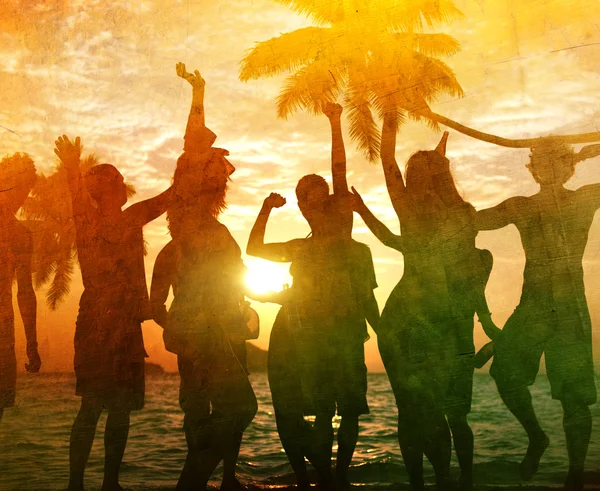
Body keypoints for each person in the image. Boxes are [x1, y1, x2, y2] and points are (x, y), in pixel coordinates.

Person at [350, 128, 499, 491]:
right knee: (413, 410)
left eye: (426, 176)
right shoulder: (412, 211)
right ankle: (421, 481)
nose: (418, 183)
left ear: (439, 179)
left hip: (437, 321)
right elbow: (388, 164)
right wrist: (389, 111)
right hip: (404, 321)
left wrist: (440, 160)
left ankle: (446, 480)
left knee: (433, 412)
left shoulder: (458, 218)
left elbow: (471, 274)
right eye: (415, 176)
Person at [247, 103, 379, 490]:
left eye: (321, 197)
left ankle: (338, 476)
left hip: (349, 333)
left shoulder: (344, 233)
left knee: (350, 411)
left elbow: (339, 171)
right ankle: (324, 478)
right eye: (307, 199)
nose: (316, 204)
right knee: (321, 411)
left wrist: (335, 122)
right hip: (313, 338)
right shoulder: (299, 248)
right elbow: (254, 249)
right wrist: (265, 208)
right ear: (302, 205)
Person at [150, 63, 257, 491]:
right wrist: (199, 93)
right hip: (201, 326)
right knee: (221, 407)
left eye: (220, 167)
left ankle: (217, 477)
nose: (220, 171)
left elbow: (235, 279)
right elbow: (193, 142)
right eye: (212, 165)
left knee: (221, 408)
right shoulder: (188, 215)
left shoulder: (215, 230)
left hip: (221, 325)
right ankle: (192, 481)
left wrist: (245, 309)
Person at [474, 139, 600, 491]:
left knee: (574, 399)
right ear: (533, 170)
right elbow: (472, 220)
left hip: (570, 306)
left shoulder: (585, 198)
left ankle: (575, 475)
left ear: (569, 167)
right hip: (532, 305)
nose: (550, 169)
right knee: (505, 376)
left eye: (559, 162)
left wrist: (591, 151)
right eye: (542, 163)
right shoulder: (521, 207)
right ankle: (536, 436)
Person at [55, 135, 172, 491]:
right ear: (111, 188)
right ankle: (93, 483)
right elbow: (168, 197)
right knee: (99, 406)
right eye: (119, 179)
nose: (124, 184)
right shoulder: (115, 219)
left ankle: (98, 484)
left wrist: (73, 167)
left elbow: (167, 198)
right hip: (103, 321)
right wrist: (74, 168)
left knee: (105, 407)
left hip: (111, 320)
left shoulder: (109, 219)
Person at [0, 152, 41, 421]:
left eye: (25, 191)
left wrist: (32, 343)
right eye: (17, 188)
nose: (20, 199)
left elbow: (25, 292)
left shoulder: (21, 235)